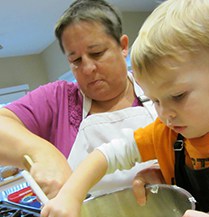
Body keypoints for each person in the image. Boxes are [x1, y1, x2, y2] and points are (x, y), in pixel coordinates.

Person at [40, 0, 209, 217]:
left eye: (178, 96)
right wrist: (71, 195)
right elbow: (108, 154)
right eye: (156, 100)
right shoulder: (167, 134)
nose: (166, 114)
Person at [0, 0, 157, 198]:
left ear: (123, 46)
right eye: (76, 60)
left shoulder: (155, 83)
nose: (88, 68)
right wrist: (40, 152)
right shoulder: (57, 99)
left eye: (97, 53)